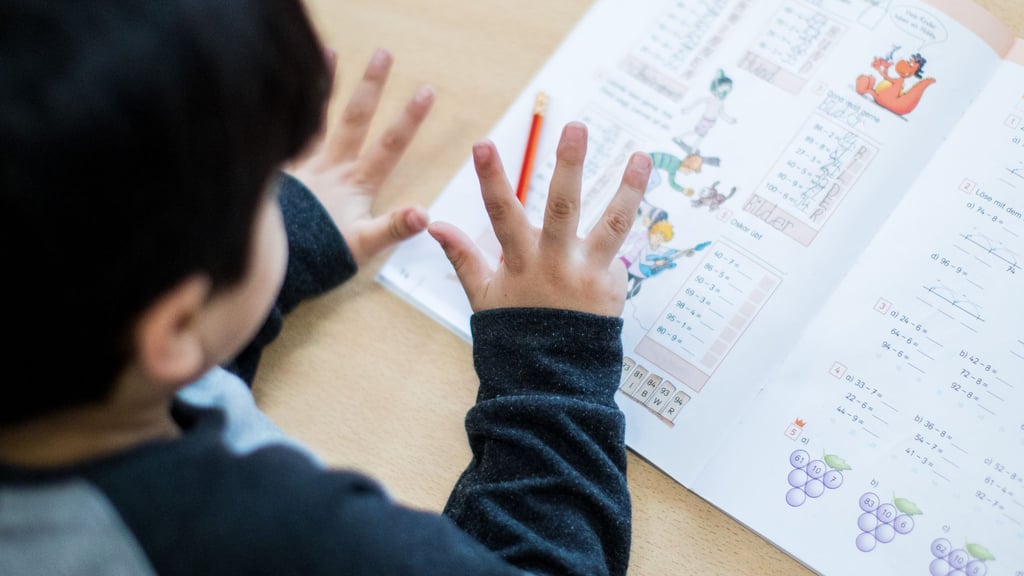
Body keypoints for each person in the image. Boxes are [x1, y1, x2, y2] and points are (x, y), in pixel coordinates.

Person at [0, 1, 652, 575]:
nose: (282, 190)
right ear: (173, 327)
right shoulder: (262, 536)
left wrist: (274, 241)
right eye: (266, 186)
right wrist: (549, 362)